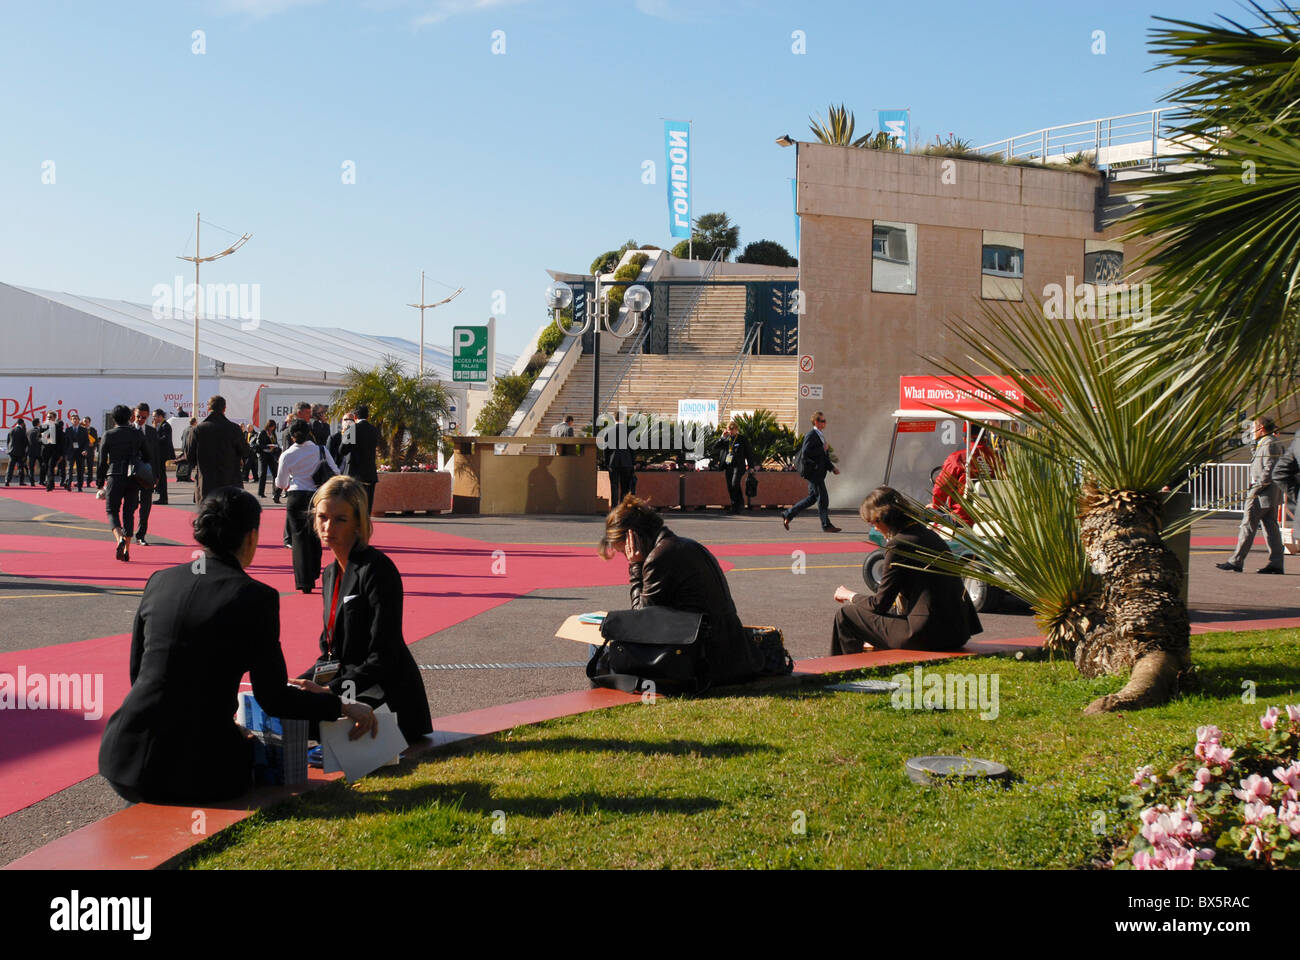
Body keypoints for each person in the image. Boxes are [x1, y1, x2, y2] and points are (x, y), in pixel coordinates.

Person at [98, 487, 377, 805]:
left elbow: (139, 672)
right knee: (258, 756)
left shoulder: (160, 581)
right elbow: (273, 698)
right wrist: (342, 705)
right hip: (198, 771)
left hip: (122, 759)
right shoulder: (255, 597)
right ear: (251, 537)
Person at [306, 474, 433, 745]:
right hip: (350, 685)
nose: (328, 527)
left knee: (309, 717)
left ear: (358, 524)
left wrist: (331, 692)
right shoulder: (330, 573)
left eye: (340, 519)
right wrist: (299, 684)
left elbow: (383, 655)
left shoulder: (377, 569)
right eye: (322, 517)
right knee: (289, 708)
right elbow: (331, 654)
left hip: (387, 692)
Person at [597, 494, 761, 685]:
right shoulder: (687, 545)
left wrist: (635, 566)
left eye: (622, 550)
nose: (625, 556)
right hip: (728, 649)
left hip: (703, 658)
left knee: (600, 649)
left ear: (632, 539)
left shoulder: (658, 558)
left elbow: (640, 620)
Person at [830, 486, 981, 654]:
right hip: (957, 632)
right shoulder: (928, 534)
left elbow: (879, 604)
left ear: (882, 519)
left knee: (846, 615)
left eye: (872, 523)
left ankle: (844, 672)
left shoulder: (898, 545)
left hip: (930, 635)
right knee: (883, 616)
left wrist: (849, 595)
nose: (874, 528)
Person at [276, 420, 341, 593]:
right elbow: (336, 472)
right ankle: (313, 572)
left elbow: (281, 483)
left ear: (291, 436)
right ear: (309, 432)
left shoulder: (287, 455)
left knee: (298, 539)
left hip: (295, 497)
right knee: (315, 535)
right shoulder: (321, 450)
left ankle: (304, 581)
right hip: (317, 497)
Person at [1218, 416, 1286, 574]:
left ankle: (1236, 561)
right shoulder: (1265, 442)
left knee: (1248, 525)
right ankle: (1276, 563)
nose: (1251, 431)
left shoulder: (1270, 443)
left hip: (1262, 492)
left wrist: (1256, 488)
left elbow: (1270, 469)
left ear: (1261, 428)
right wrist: (1253, 444)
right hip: (1268, 493)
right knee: (1271, 527)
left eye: (1253, 428)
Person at [95, 405, 145, 562]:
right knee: (129, 512)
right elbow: (148, 455)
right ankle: (127, 549)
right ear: (130, 417)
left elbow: (102, 461)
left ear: (114, 419)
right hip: (133, 477)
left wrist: (99, 481)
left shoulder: (108, 435)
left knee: (112, 510)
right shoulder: (137, 434)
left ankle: (119, 539)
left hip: (114, 475)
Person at [783, 411, 841, 533]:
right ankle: (826, 525)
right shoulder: (812, 435)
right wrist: (822, 449)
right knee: (823, 498)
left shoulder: (820, 435)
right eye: (822, 421)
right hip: (814, 474)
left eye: (825, 421)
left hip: (818, 473)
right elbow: (806, 453)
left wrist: (832, 468)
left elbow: (823, 457)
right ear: (816, 422)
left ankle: (788, 514)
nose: (825, 423)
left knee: (812, 498)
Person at [184, 396, 250, 502]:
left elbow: (189, 456)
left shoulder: (198, 430)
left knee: (208, 516)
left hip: (206, 484)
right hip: (231, 483)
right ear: (224, 409)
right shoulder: (234, 429)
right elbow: (245, 451)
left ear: (208, 409)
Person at [930, 436, 995, 525]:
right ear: (985, 437)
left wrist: (934, 506)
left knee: (926, 512)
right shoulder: (998, 458)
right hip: (992, 521)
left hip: (962, 520)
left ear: (965, 439)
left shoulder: (957, 458)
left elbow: (940, 488)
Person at [339, 404, 379, 510]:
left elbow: (343, 450)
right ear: (368, 416)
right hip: (369, 473)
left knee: (352, 507)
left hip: (354, 472)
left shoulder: (352, 429)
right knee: (366, 508)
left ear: (355, 417)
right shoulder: (374, 430)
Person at [132, 403, 160, 545]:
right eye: (138, 417)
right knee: (131, 505)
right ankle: (127, 533)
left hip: (148, 474)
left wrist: (157, 475)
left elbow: (156, 455)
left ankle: (140, 535)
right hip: (131, 475)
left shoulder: (152, 432)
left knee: (146, 505)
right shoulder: (128, 430)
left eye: (143, 417)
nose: (140, 420)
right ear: (134, 415)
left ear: (148, 416)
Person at [714, 420, 756, 514]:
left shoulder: (742, 439)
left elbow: (749, 453)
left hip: (738, 466)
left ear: (736, 429)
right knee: (730, 487)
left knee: (734, 484)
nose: (731, 431)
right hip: (728, 465)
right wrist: (722, 437)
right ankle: (735, 506)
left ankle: (739, 503)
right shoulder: (725, 439)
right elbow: (716, 447)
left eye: (733, 429)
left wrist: (751, 466)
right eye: (729, 429)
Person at [605, 409, 636, 506]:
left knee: (614, 486)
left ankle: (614, 507)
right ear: (623, 418)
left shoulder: (608, 431)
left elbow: (606, 449)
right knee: (625, 487)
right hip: (626, 462)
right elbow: (633, 448)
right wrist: (633, 462)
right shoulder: (630, 431)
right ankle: (623, 507)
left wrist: (607, 462)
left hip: (613, 462)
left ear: (614, 418)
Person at [255, 419, 283, 502]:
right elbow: (259, 444)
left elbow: (276, 442)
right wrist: (267, 446)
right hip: (263, 455)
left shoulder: (273, 434)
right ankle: (261, 492)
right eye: (271, 427)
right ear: (268, 426)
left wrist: (275, 446)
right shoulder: (262, 433)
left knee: (275, 473)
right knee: (263, 474)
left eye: (273, 427)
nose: (272, 428)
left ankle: (275, 492)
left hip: (271, 455)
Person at [152, 409, 174, 505]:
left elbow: (165, 439)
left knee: (162, 476)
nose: (153, 418)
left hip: (162, 454)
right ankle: (161, 495)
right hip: (159, 454)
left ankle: (163, 498)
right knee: (160, 475)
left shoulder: (166, 426)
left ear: (160, 416)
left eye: (155, 416)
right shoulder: (160, 425)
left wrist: (154, 439)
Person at [39, 411, 63, 492]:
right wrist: (43, 439)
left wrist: (60, 453)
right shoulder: (43, 426)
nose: (48, 418)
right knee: (47, 467)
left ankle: (49, 485)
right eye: (47, 417)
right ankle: (51, 484)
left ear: (54, 418)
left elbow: (60, 441)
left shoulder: (58, 427)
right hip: (45, 451)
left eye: (50, 417)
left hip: (54, 451)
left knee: (50, 466)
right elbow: (37, 438)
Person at [5, 417, 29, 487]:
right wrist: (24, 451)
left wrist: (9, 449)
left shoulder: (11, 430)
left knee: (10, 467)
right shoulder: (22, 431)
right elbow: (25, 443)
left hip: (12, 452)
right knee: (20, 467)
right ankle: (21, 481)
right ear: (22, 423)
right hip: (20, 453)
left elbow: (8, 441)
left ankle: (7, 480)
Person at [25, 418, 42, 487]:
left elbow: (26, 443)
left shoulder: (28, 432)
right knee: (42, 467)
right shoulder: (40, 431)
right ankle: (41, 480)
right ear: (38, 423)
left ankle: (32, 482)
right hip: (39, 452)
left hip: (31, 452)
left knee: (31, 468)